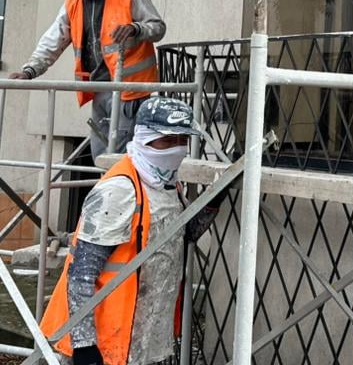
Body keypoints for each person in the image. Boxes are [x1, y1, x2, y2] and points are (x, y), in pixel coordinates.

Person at [40, 97, 226, 365]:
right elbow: (81, 274)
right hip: (105, 342)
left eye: (182, 140)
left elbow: (183, 236)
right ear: (145, 138)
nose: (176, 149)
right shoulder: (119, 190)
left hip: (142, 338)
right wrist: (84, 345)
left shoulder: (167, 184)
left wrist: (212, 202)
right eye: (167, 140)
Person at [9, 0, 166, 158]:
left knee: (119, 155)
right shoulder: (73, 3)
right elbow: (53, 40)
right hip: (98, 89)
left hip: (130, 90)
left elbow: (158, 28)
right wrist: (30, 71)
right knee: (100, 154)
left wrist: (136, 28)